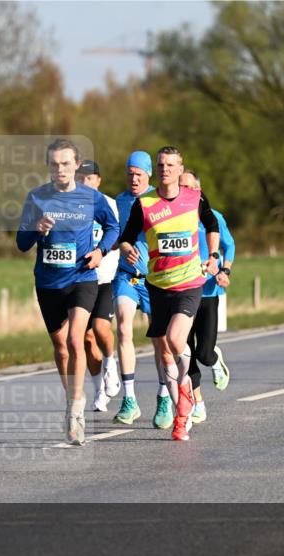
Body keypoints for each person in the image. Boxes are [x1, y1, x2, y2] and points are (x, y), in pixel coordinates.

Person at [17, 139, 119, 445]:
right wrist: (37, 228)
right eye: (54, 164)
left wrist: (101, 251)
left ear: (76, 165)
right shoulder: (36, 197)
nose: (60, 169)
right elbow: (21, 243)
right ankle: (70, 400)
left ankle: (77, 412)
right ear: (48, 166)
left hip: (82, 277)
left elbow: (114, 226)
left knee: (77, 339)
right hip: (48, 282)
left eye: (65, 163)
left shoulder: (92, 198)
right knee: (61, 348)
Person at [117, 146, 220, 442]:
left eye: (170, 165)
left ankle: (186, 389)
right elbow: (126, 238)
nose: (165, 169)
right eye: (161, 165)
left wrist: (213, 256)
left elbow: (211, 225)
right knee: (164, 355)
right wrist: (129, 249)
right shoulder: (144, 203)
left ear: (180, 168)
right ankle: (180, 415)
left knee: (176, 340)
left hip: (189, 283)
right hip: (157, 285)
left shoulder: (194, 198)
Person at [178, 170, 235, 424]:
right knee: (185, 351)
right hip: (182, 292)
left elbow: (229, 245)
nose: (184, 191)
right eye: (180, 186)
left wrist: (224, 270)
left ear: (198, 191)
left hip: (209, 291)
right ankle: (198, 402)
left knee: (203, 353)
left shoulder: (213, 217)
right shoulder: (173, 217)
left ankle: (215, 359)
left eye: (189, 187)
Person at [110, 151, 156, 425]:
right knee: (124, 327)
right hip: (127, 276)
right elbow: (118, 235)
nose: (134, 178)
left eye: (138, 174)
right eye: (130, 173)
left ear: (148, 174)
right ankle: (129, 399)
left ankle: (166, 395)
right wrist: (121, 247)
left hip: (155, 279)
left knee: (161, 341)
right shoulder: (121, 201)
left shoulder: (157, 200)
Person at [75, 160, 121, 412]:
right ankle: (99, 388)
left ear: (98, 180)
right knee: (85, 337)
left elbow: (116, 234)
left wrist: (103, 251)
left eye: (90, 178)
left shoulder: (109, 204)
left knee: (101, 328)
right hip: (80, 279)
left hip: (104, 277)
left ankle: (111, 364)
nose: (85, 182)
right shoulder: (71, 204)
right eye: (81, 177)